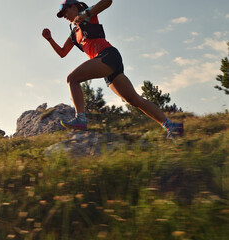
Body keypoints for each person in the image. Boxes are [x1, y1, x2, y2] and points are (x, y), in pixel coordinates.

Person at [42, 0, 183, 138]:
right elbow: (62, 53)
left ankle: (81, 118)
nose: (64, 16)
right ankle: (172, 126)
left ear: (73, 7)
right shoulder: (74, 34)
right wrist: (50, 39)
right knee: (134, 100)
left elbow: (108, 1)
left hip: (108, 56)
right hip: (106, 64)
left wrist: (86, 14)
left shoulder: (87, 14)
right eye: (62, 14)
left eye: (64, 11)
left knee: (72, 79)